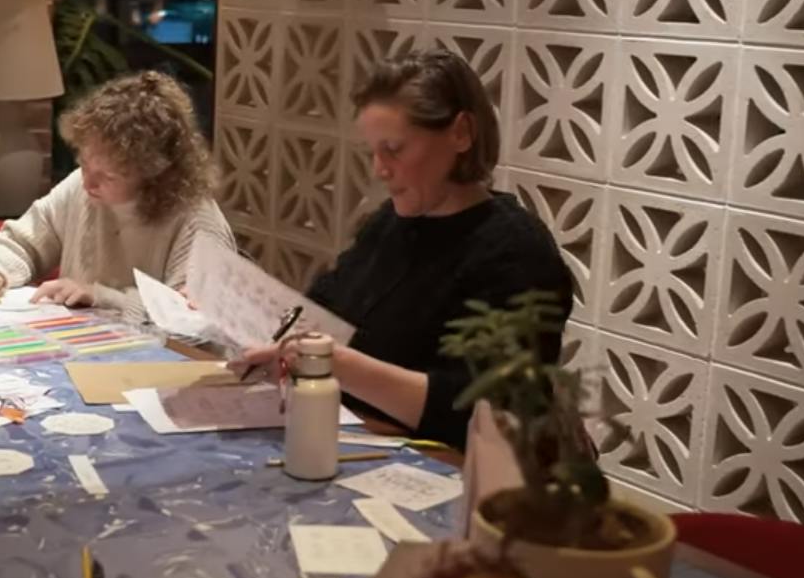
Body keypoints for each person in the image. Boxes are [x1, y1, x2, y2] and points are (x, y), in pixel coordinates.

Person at [232, 49, 573, 449]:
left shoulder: (516, 252)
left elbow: (487, 414)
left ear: (460, 133)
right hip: (352, 442)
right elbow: (324, 310)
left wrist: (340, 365)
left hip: (448, 475)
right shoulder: (389, 224)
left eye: (394, 149)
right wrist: (244, 316)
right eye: (374, 151)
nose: (380, 169)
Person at [0, 71, 236, 318]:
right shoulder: (80, 188)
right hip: (90, 357)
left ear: (154, 175)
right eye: (84, 165)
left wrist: (102, 298)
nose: (87, 183)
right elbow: (22, 242)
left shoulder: (196, 220)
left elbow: (190, 321)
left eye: (108, 176)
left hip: (172, 367)